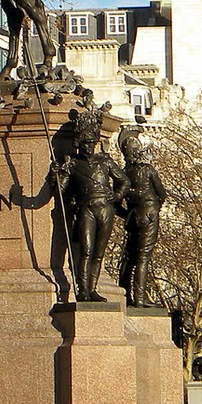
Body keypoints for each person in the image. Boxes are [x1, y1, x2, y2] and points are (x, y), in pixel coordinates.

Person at [52, 104, 127, 302]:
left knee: (99, 252)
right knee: (86, 250)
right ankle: (83, 289)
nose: (87, 146)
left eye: (90, 143)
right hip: (87, 208)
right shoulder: (73, 163)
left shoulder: (105, 161)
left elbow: (124, 181)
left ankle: (92, 289)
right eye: (84, 143)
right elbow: (60, 190)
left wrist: (116, 196)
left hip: (106, 208)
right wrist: (58, 174)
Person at [116, 135, 167, 308]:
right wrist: (154, 209)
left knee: (129, 258)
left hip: (133, 216)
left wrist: (128, 214)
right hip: (148, 214)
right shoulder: (148, 169)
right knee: (143, 257)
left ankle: (124, 294)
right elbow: (161, 193)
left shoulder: (124, 172)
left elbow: (117, 201)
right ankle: (139, 298)